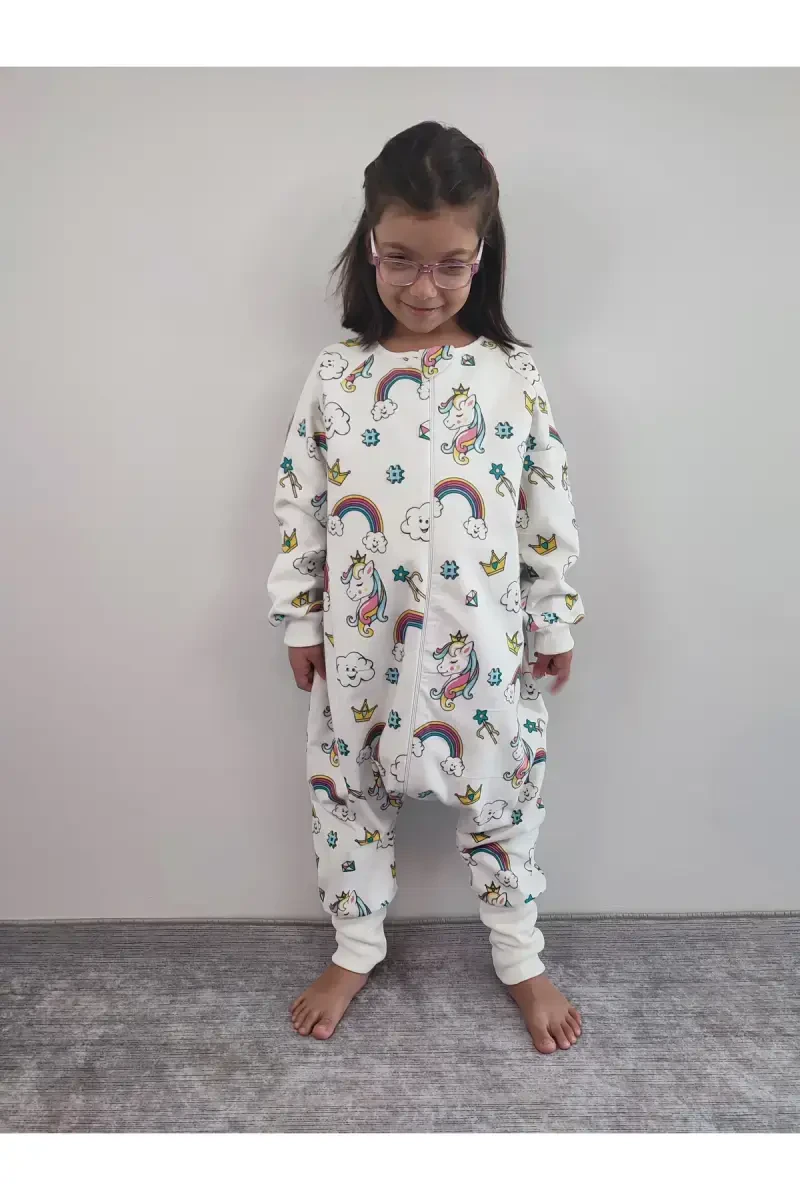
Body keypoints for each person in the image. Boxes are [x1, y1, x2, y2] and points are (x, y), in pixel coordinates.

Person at [267, 121, 583, 1053]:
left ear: (483, 256)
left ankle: (519, 956)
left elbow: (545, 503)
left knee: (506, 794)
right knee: (346, 793)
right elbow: (300, 500)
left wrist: (554, 616)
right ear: (369, 246)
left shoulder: (511, 375)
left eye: (450, 265)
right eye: (400, 259)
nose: (422, 287)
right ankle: (356, 946)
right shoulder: (338, 374)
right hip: (362, 640)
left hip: (484, 638)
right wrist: (298, 617)